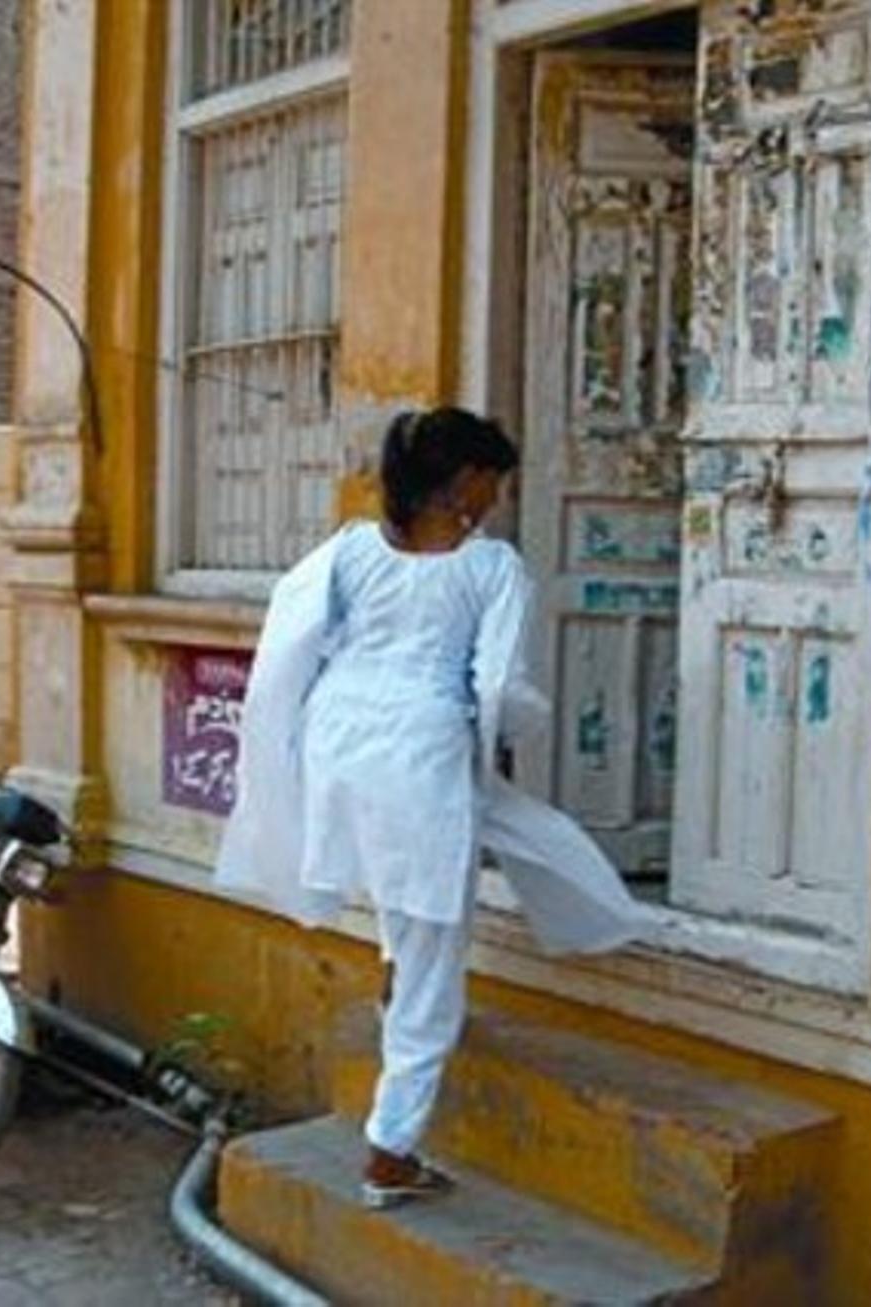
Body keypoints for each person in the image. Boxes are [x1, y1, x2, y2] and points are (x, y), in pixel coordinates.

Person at [217, 407, 651, 1209]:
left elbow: (288, 645)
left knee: (482, 850)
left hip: (340, 742)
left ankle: (567, 921)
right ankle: (391, 1151)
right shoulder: (491, 567)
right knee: (433, 959)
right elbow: (499, 684)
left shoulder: (348, 551)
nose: (499, 497)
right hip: (421, 755)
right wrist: (526, 726)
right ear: (464, 482)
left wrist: (287, 753)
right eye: (494, 481)